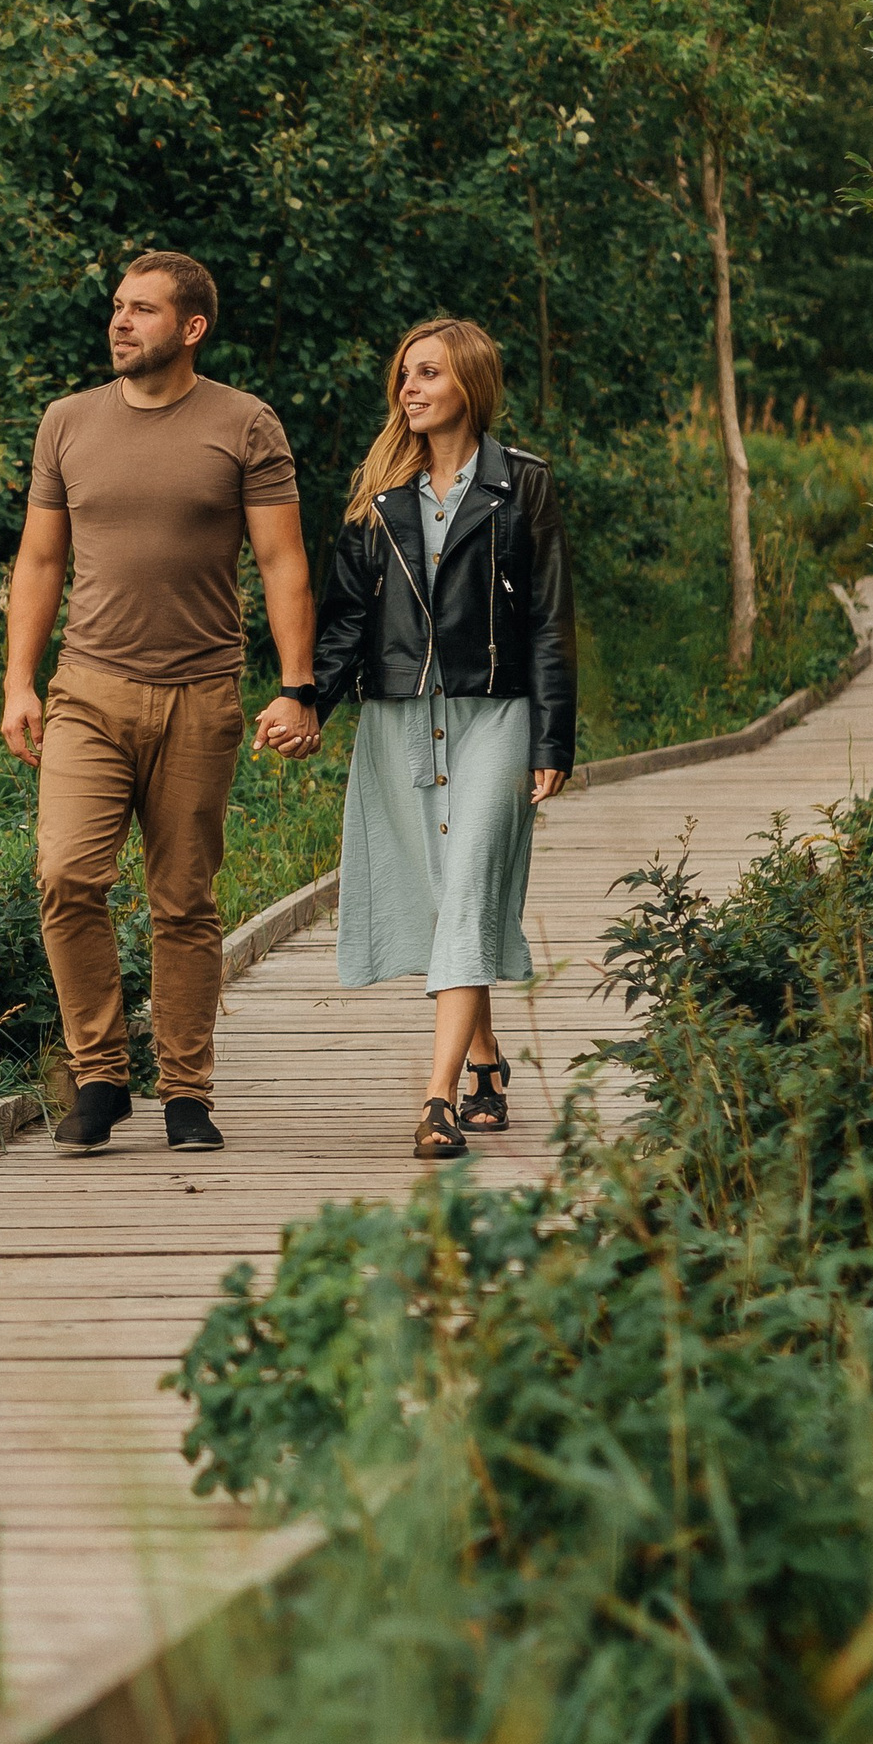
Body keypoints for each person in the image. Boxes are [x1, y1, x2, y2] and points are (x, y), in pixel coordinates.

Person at [1, 253, 321, 1156]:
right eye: (117, 306)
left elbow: (282, 561)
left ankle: (186, 1090)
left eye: (142, 309)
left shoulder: (244, 423)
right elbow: (40, 560)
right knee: (66, 875)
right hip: (87, 690)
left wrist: (297, 685)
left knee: (183, 899)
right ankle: (101, 1074)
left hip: (200, 694)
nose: (120, 321)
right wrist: (19, 680)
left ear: (191, 327)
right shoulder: (67, 422)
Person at [309, 318, 575, 1161]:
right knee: (443, 894)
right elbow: (345, 619)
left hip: (496, 711)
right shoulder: (379, 492)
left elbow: (549, 618)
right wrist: (306, 701)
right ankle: (486, 1057)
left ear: (471, 383)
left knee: (467, 887)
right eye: (405, 375)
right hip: (400, 715)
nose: (409, 388)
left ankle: (436, 1098)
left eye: (428, 372)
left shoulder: (523, 483)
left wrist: (552, 737)